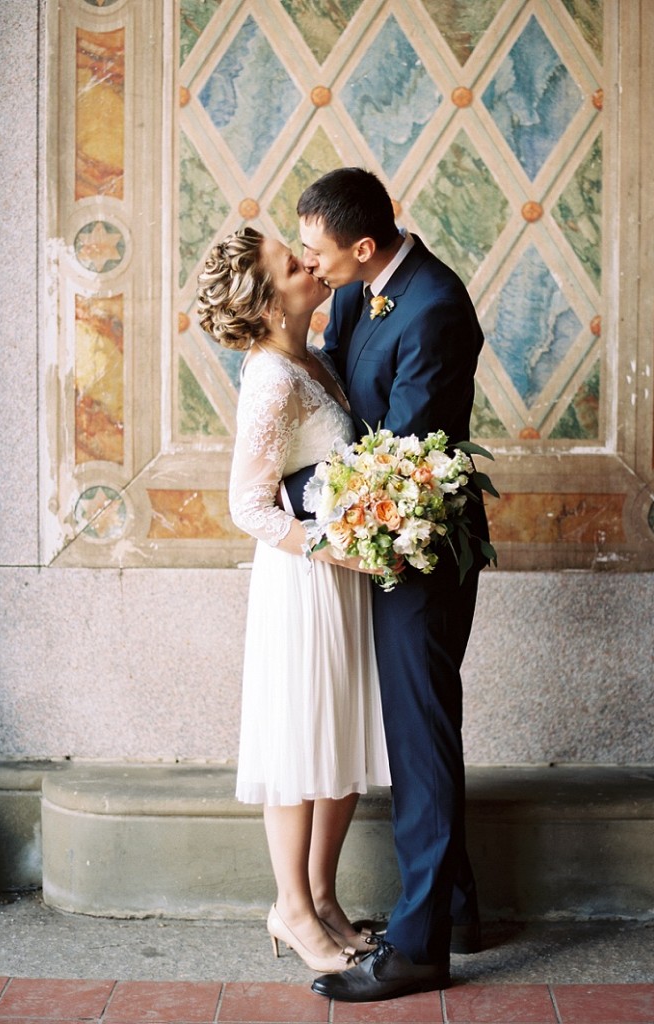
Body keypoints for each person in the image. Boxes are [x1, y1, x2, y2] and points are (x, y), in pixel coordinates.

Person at [282, 168, 490, 1002]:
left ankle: (417, 949)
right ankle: (461, 910)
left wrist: (285, 500)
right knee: (418, 732)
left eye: (316, 251)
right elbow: (332, 386)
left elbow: (397, 452)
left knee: (419, 741)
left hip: (419, 550)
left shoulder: (435, 307)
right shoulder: (356, 289)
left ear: (362, 247)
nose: (309, 263)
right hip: (378, 539)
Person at [196, 227, 390, 976]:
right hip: (303, 580)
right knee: (297, 748)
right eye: (292, 262)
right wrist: (340, 548)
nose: (311, 262)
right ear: (270, 300)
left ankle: (324, 899)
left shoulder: (311, 355)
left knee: (334, 746)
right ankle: (292, 911)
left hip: (337, 577)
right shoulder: (271, 377)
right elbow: (249, 506)